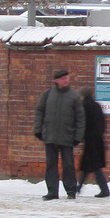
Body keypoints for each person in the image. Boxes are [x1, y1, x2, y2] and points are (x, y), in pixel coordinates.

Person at [33, 69, 85, 200]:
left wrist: (78, 136)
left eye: (67, 78)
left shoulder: (74, 96)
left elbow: (80, 118)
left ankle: (71, 190)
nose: (66, 80)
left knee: (68, 165)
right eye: (63, 79)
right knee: (51, 164)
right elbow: (40, 111)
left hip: (67, 137)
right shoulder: (48, 94)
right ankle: (52, 191)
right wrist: (38, 129)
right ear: (56, 80)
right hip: (50, 136)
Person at [78, 87, 110, 198]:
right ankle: (79, 187)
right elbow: (103, 123)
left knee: (94, 166)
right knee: (89, 166)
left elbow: (82, 123)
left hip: (90, 140)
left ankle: (104, 190)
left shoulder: (83, 106)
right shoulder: (97, 105)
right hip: (98, 140)